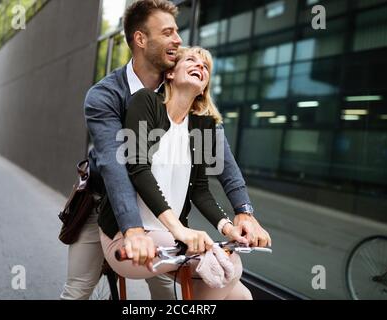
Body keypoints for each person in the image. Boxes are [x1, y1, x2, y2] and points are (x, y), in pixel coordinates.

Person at [60, 0, 271, 300]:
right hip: (103, 203)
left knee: (169, 290)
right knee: (79, 287)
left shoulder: (180, 96)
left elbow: (221, 161)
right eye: (168, 32)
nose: (178, 40)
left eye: (178, 32)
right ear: (141, 39)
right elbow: (114, 164)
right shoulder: (106, 95)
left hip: (157, 217)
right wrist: (132, 229)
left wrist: (243, 212)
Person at [100, 46, 253, 300]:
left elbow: (201, 191)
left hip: (171, 240)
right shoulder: (146, 102)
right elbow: (138, 168)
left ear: (204, 86)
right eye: (192, 60)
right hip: (132, 236)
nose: (200, 67)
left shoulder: (202, 126)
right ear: (170, 74)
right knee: (228, 267)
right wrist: (179, 230)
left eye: (205, 67)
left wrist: (228, 228)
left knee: (242, 295)